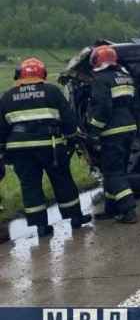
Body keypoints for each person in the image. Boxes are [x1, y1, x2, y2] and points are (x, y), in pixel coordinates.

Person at [0, 57, 92, 238]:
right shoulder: (52, 91)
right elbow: (68, 118)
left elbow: (1, 128)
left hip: (20, 150)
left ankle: (41, 227)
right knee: (62, 180)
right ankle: (75, 218)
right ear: (43, 73)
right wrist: (72, 137)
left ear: (20, 75)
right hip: (50, 147)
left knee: (30, 186)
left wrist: (3, 150)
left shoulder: (7, 96)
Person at [87, 45, 139, 223]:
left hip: (112, 131)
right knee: (118, 170)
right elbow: (135, 105)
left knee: (112, 173)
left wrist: (93, 131)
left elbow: (103, 107)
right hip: (129, 129)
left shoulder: (101, 79)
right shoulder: (126, 78)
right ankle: (112, 208)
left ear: (96, 61)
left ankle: (128, 209)